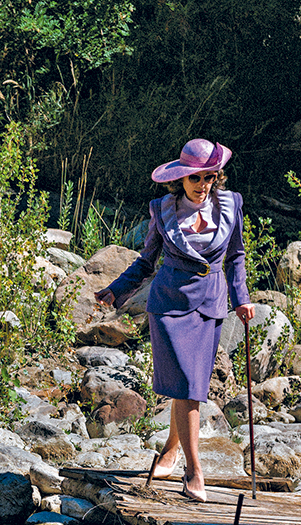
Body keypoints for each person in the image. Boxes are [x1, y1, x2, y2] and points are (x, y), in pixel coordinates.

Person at [95, 138, 255, 502]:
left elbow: (236, 257)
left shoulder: (231, 205)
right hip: (168, 305)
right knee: (187, 386)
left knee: (189, 387)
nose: (203, 186)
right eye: (196, 179)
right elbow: (146, 261)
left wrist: (242, 299)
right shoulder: (162, 209)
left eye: (209, 178)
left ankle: (170, 448)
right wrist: (115, 290)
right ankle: (194, 471)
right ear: (180, 179)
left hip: (210, 305)